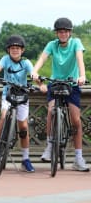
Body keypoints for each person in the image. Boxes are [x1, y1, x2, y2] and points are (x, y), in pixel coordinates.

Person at [31, 17, 89, 172]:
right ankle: (50, 146)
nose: (62, 34)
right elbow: (42, 59)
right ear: (56, 33)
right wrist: (34, 72)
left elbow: (80, 60)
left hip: (72, 84)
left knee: (76, 120)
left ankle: (78, 158)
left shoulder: (76, 43)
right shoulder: (52, 45)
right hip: (55, 83)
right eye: (60, 31)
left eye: (65, 31)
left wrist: (82, 76)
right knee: (51, 110)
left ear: (70, 32)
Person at [0, 35, 35, 172]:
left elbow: (33, 73)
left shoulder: (26, 62)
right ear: (8, 50)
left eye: (18, 48)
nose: (15, 50)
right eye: (12, 48)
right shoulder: (5, 59)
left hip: (22, 96)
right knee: (2, 118)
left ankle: (25, 159)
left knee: (24, 127)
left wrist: (37, 80)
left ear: (22, 50)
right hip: (8, 95)